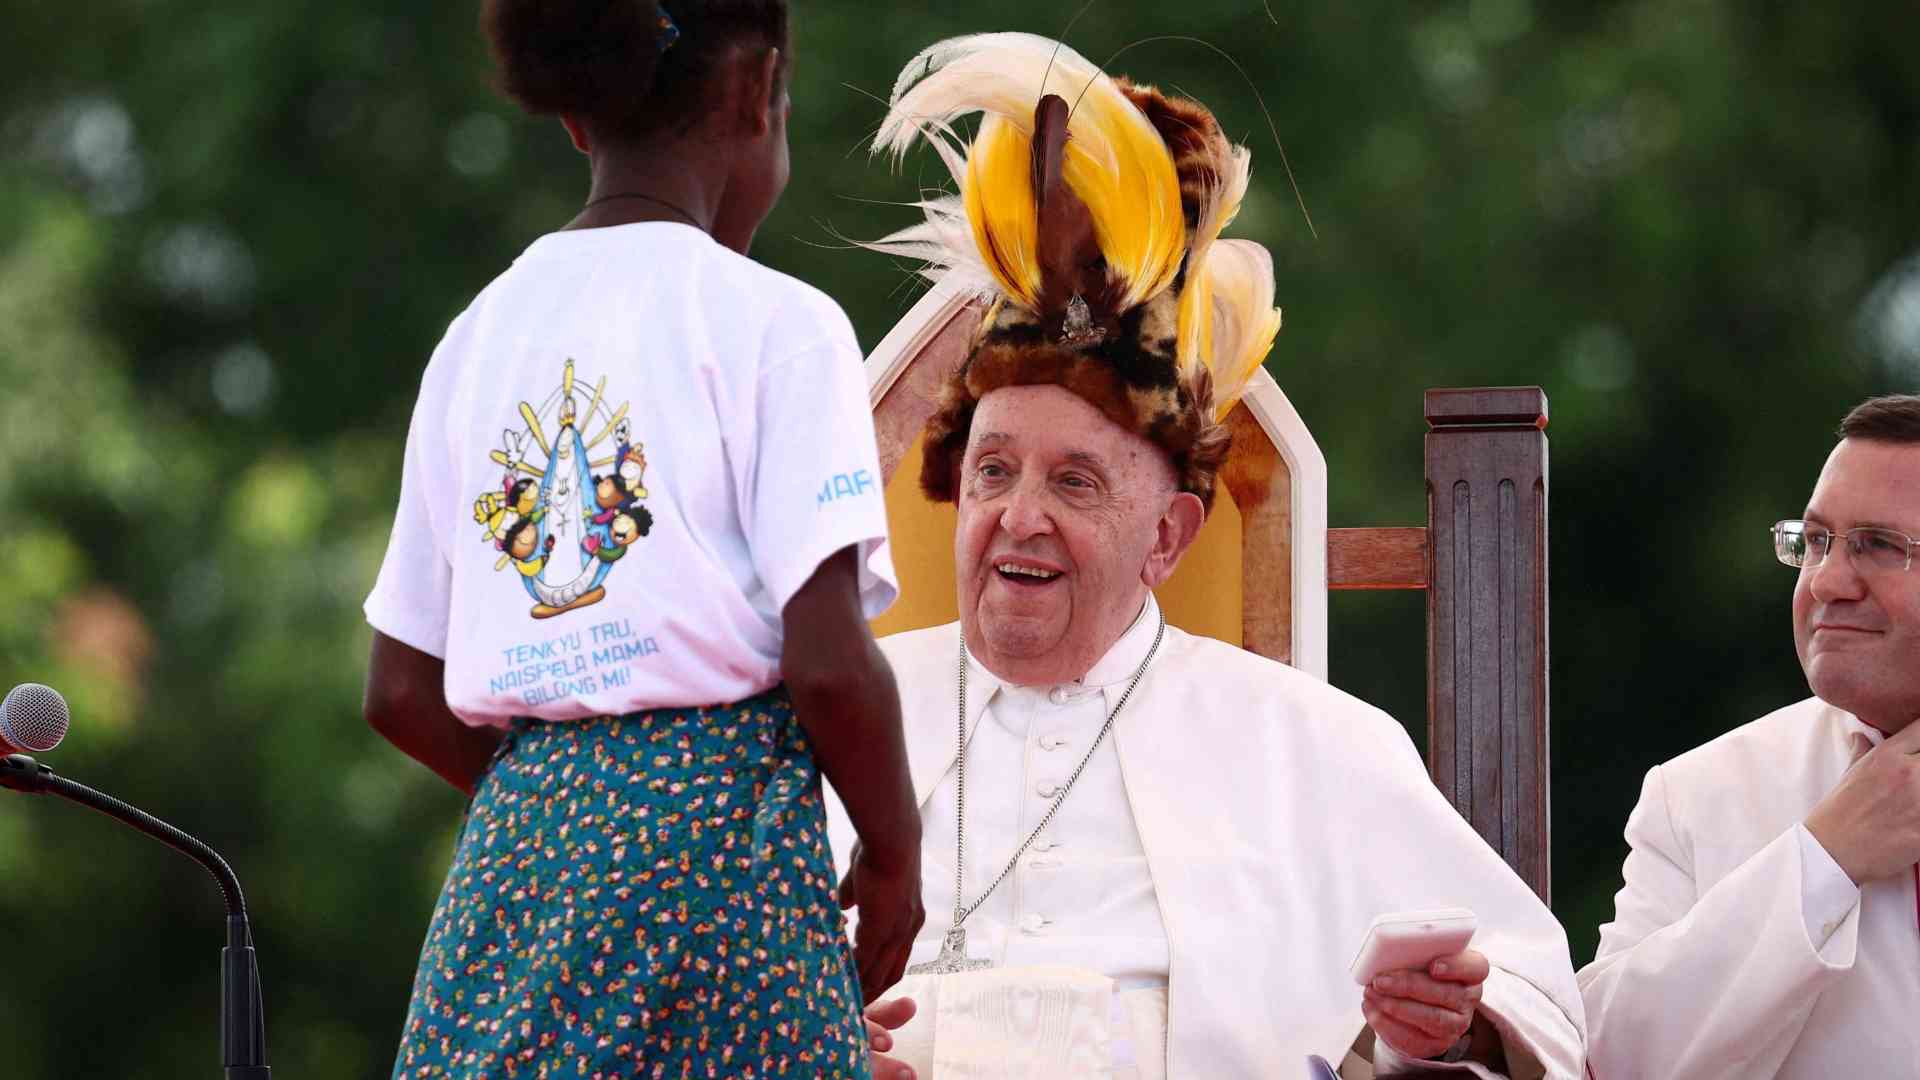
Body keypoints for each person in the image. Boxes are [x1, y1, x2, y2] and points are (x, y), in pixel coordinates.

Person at [830, 33, 1586, 1080]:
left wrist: (1451, 1023)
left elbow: (1530, 989)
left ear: (1169, 536)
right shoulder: (817, 731)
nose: (1019, 517)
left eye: (1075, 483)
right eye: (993, 472)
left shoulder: (1312, 743)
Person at [359, 3, 923, 1075]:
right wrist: (893, 855)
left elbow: (397, 689)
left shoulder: (474, 337)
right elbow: (829, 664)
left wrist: (571, 807)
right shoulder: (781, 323)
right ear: (754, 91)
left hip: (512, 873)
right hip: (722, 861)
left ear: (575, 119)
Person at [1579, 394, 1920, 1076]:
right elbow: (1609, 1060)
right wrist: (1823, 861)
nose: (1826, 582)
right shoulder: (1695, 795)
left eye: (1879, 546)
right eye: (1816, 542)